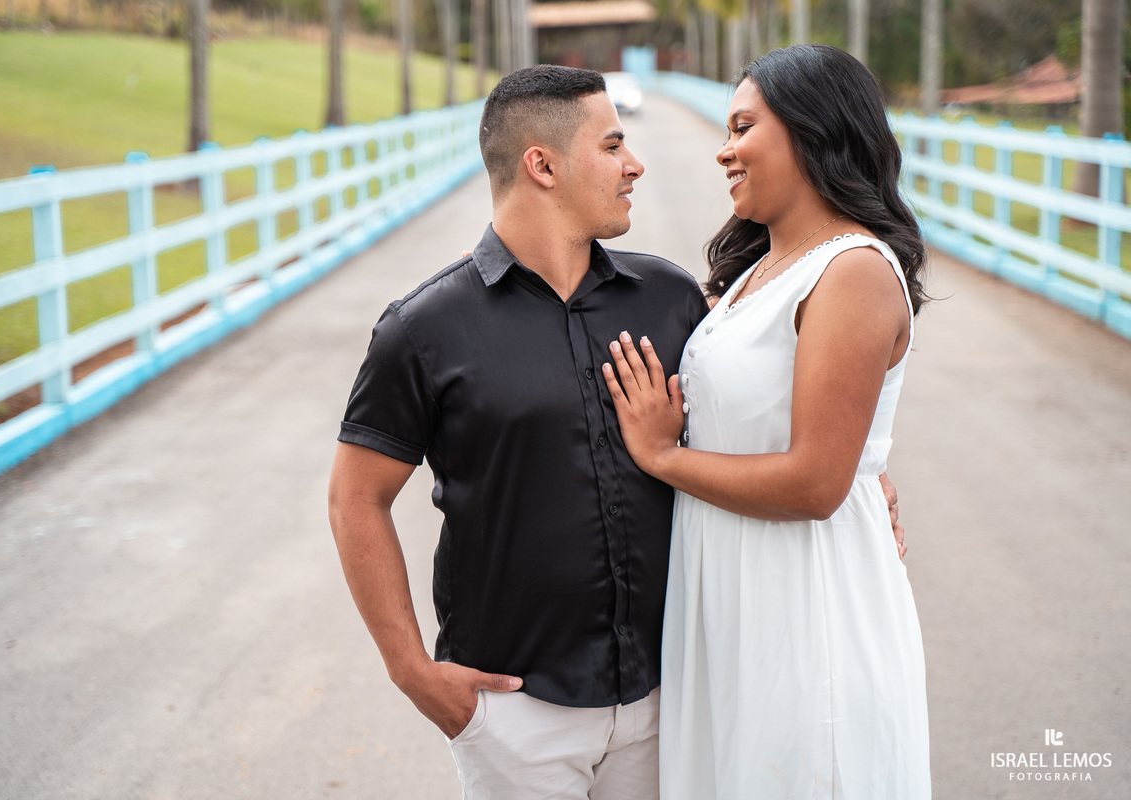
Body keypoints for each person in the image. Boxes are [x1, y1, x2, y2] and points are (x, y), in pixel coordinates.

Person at [328, 64, 903, 799]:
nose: (636, 164)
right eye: (612, 146)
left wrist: (867, 474)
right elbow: (355, 500)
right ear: (542, 165)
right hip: (516, 710)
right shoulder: (422, 329)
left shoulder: (669, 299)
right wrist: (411, 670)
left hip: (673, 696)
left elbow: (771, 397)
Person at [600, 44, 932, 798]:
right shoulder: (755, 271)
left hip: (804, 602)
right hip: (729, 597)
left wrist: (662, 456)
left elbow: (817, 483)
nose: (724, 149)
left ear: (813, 129)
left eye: (743, 126)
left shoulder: (851, 271)